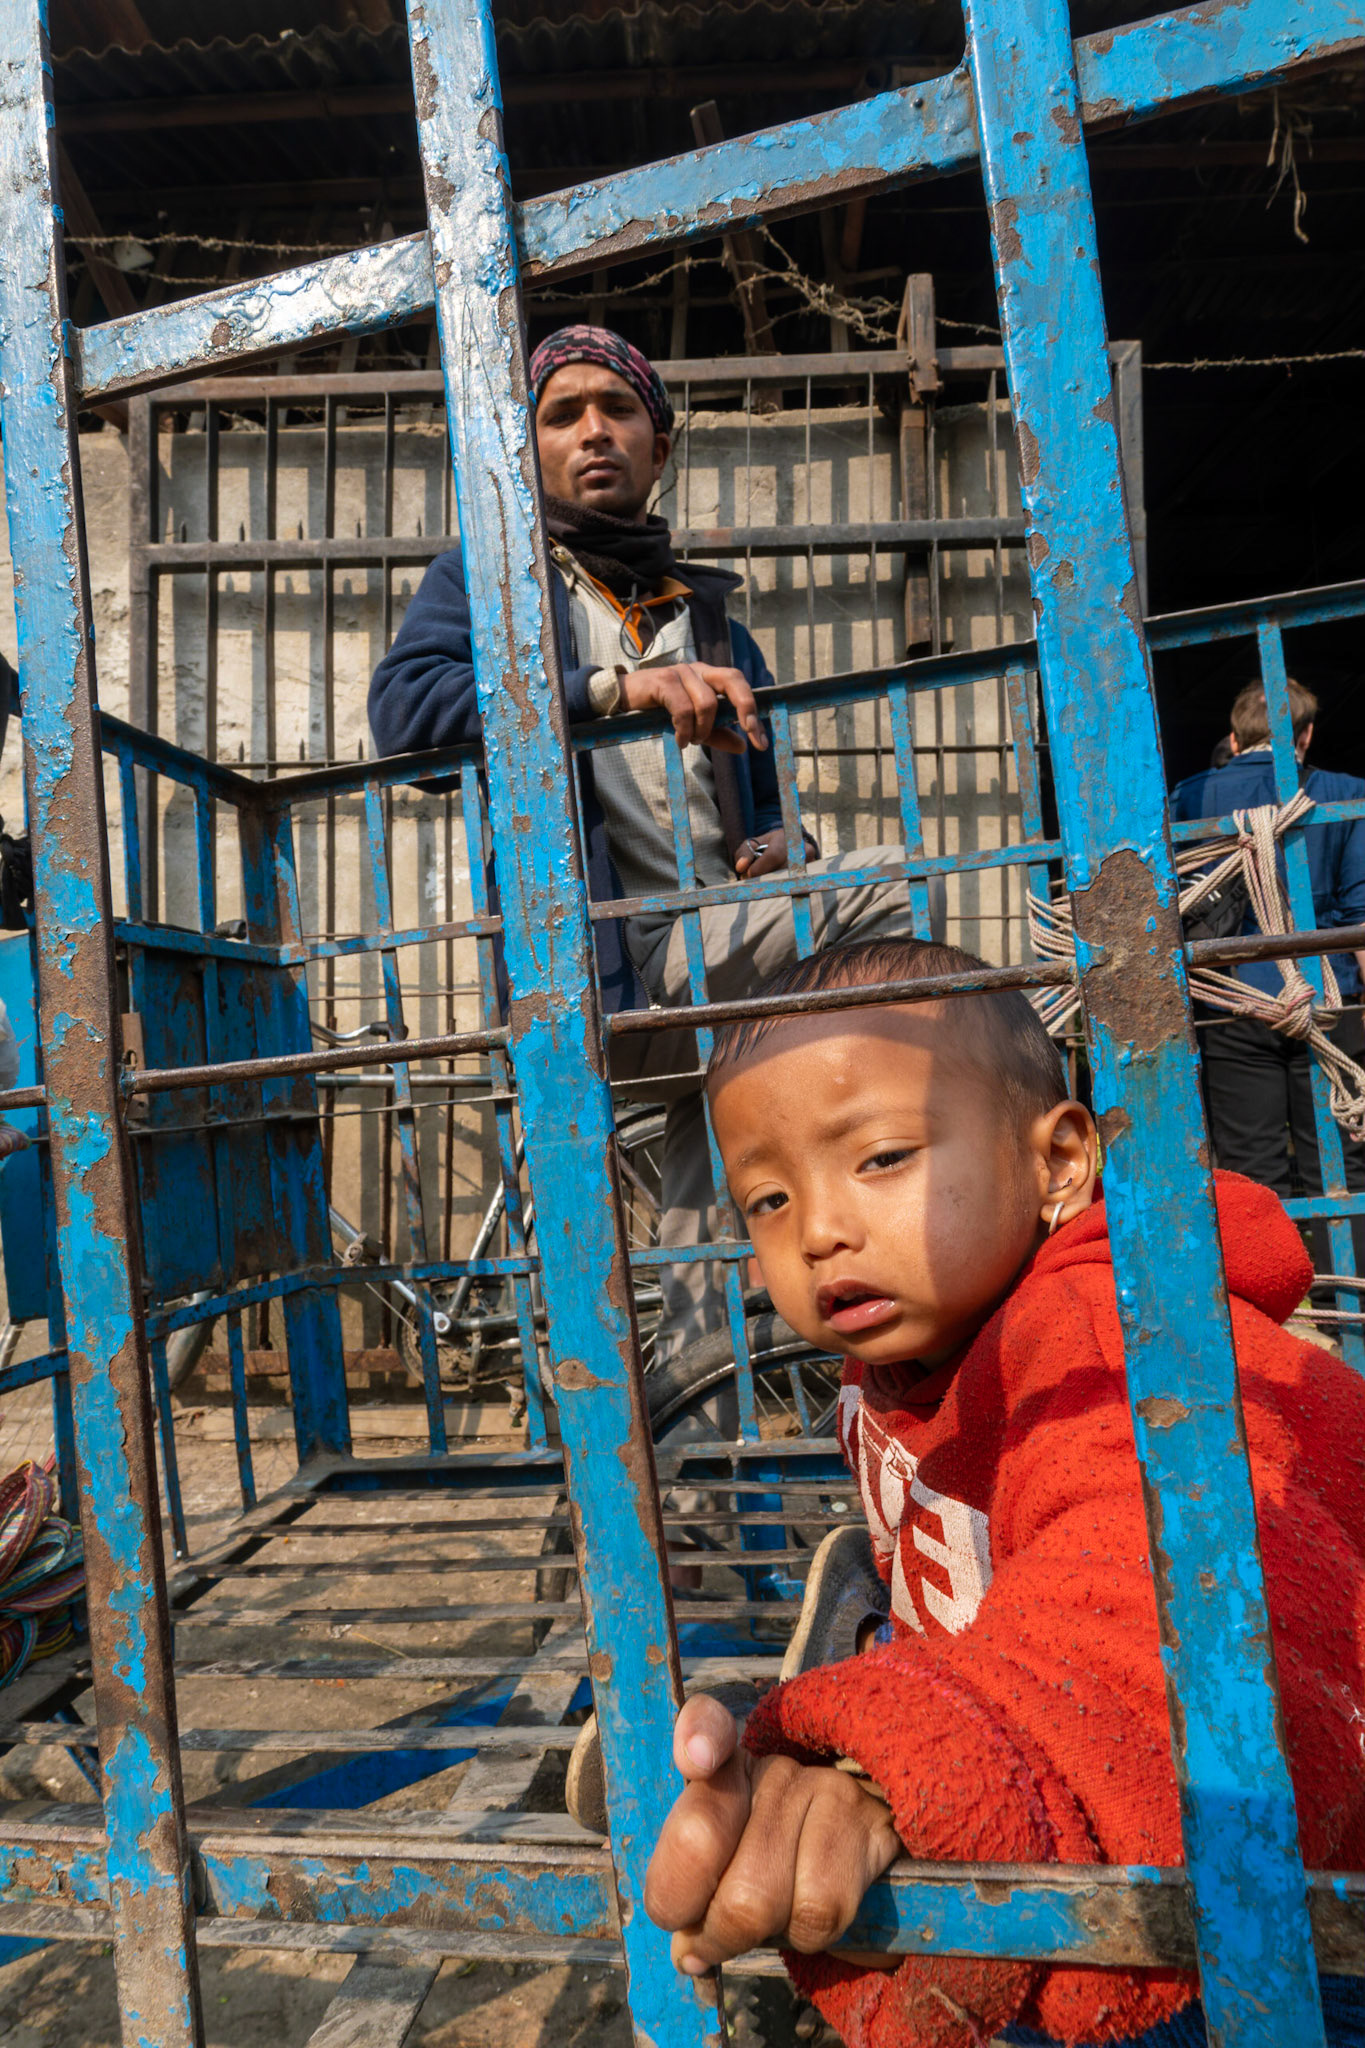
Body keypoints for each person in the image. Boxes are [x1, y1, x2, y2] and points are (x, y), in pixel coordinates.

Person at [642, 937, 1365, 2048]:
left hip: (1230, 1893)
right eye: (769, 1197)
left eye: (880, 1156)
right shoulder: (905, 1336)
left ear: (1060, 1161)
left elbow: (1165, 1592)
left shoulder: (1099, 1332)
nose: (820, 1227)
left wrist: (927, 1757)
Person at [368, 324, 919, 1363]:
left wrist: (780, 842)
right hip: (601, 969)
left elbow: (757, 796)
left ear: (659, 446)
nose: (592, 431)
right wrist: (613, 690)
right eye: (562, 413)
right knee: (888, 887)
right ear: (525, 448)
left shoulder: (707, 616)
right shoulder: (489, 582)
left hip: (720, 956)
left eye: (617, 411)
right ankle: (929, 1140)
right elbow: (405, 717)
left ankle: (700, 1475)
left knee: (713, 1213)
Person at [1170, 679, 1365, 1267]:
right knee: (1339, 1157)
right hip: (1326, 998)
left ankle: (1273, 1303)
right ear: (1304, 735)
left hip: (1230, 998)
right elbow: (1359, 916)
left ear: (1233, 736)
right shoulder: (1345, 793)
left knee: (1250, 1164)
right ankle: (1347, 1296)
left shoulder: (1189, 796)